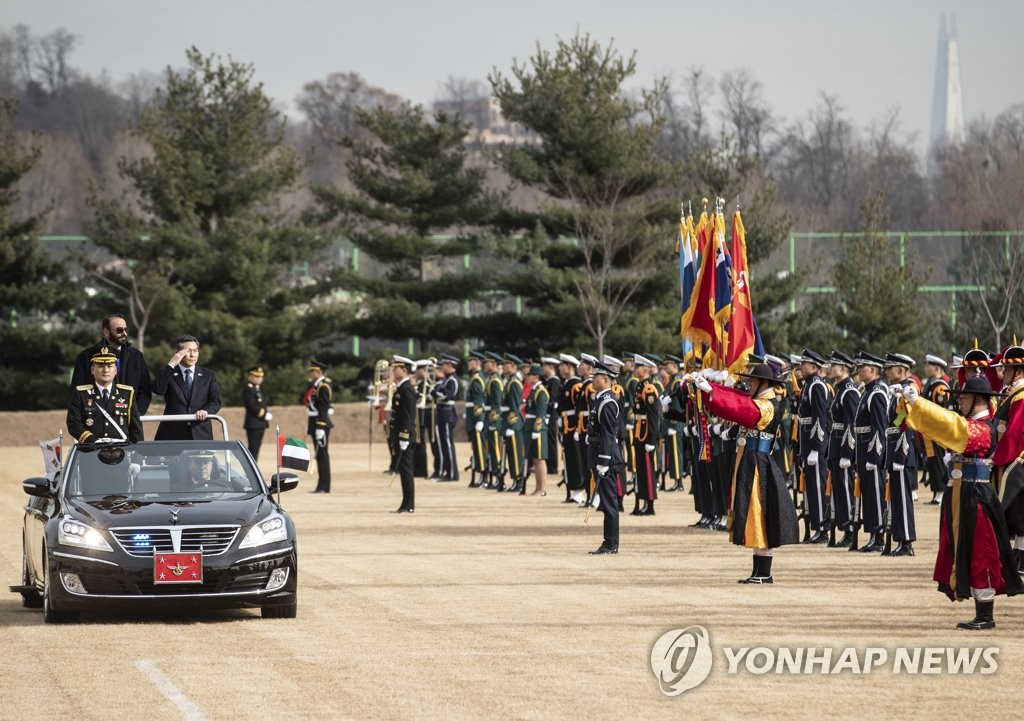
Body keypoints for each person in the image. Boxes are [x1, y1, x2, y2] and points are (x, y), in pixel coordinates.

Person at [899, 375, 1024, 629]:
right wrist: (913, 406)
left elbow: (951, 426)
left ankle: (986, 615)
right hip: (962, 493)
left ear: (977, 400)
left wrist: (920, 403)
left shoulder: (983, 428)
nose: (961, 402)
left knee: (982, 553)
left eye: (964, 397)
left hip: (976, 496)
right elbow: (943, 428)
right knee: (968, 549)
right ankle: (981, 611)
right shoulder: (970, 424)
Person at [688, 364, 800, 583]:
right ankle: (759, 572)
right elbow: (734, 401)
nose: (748, 384)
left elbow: (742, 410)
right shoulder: (758, 400)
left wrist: (712, 391)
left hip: (759, 464)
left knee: (759, 515)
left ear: (763, 383)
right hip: (749, 462)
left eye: (752, 381)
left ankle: (764, 572)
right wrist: (709, 389)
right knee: (752, 515)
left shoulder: (767, 405)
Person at [71, 313, 153, 416]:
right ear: (106, 332)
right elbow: (77, 391)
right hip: (96, 420)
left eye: (125, 330)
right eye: (119, 330)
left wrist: (136, 415)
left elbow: (145, 390)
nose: (124, 334)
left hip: (129, 422)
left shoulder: (136, 357)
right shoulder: (86, 357)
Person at [850, 351, 889, 553]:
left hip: (872, 452)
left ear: (872, 370)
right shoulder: (867, 392)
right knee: (868, 495)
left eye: (862, 367)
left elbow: (879, 429)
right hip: (864, 449)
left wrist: (875, 456)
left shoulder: (877, 393)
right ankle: (874, 534)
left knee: (875, 494)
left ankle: (878, 535)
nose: (858, 371)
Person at [882, 352, 919, 556]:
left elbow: (907, 425)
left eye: (891, 368)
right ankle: (901, 539)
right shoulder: (897, 391)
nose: (887, 371)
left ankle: (907, 543)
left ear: (902, 370)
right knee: (896, 498)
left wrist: (900, 456)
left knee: (903, 500)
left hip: (902, 452)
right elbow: (895, 423)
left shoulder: (909, 391)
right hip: (894, 449)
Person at [67, 346, 143, 444]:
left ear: (115, 370)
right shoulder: (80, 394)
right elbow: (73, 424)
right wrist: (93, 441)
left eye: (110, 366)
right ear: (92, 370)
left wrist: (138, 452)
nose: (105, 370)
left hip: (120, 451)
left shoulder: (126, 394)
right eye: (100, 366)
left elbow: (135, 428)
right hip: (90, 450)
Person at [152, 334, 222, 441]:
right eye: (188, 351)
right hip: (173, 433)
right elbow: (158, 389)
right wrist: (171, 364)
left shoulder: (208, 375)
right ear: (178, 352)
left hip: (200, 432)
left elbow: (216, 401)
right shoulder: (168, 372)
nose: (192, 355)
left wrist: (206, 411)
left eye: (195, 351)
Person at [796, 349, 833, 543]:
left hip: (815, 445)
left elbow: (819, 418)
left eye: (804, 363)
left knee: (819, 487)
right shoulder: (808, 385)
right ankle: (817, 527)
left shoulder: (816, 386)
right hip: (808, 443)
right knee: (812, 487)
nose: (801, 367)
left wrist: (816, 448)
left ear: (814, 367)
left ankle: (822, 528)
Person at [588, 361, 624, 554]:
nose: (592, 380)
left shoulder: (607, 402)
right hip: (600, 455)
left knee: (609, 503)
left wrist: (603, 462)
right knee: (605, 502)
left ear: (605, 379)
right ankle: (608, 542)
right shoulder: (600, 399)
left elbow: (609, 435)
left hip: (607, 459)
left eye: (595, 377)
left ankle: (611, 543)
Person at [826, 350, 861, 547]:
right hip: (836, 444)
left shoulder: (849, 391)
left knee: (846, 489)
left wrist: (847, 452)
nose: (831, 368)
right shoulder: (840, 389)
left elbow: (850, 424)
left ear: (844, 368)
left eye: (834, 365)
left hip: (843, 446)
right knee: (839, 489)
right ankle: (844, 528)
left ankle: (849, 529)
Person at [390, 355, 418, 512]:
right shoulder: (401, 387)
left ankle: (408, 505)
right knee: (404, 470)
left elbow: (408, 414)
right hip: (400, 434)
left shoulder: (406, 388)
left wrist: (405, 435)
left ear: (404, 370)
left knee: (406, 471)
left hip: (404, 435)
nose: (394, 371)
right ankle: (406, 503)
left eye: (396, 368)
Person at [303, 359, 333, 493]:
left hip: (320, 424)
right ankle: (322, 485)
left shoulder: (323, 386)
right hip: (315, 422)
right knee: (319, 455)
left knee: (322, 455)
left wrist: (320, 426)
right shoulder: (316, 385)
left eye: (312, 371)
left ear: (319, 372)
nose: (310, 373)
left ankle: (324, 485)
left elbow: (323, 407)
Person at [432, 354, 460, 481]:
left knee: (448, 445)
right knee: (444, 444)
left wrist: (435, 393)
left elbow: (448, 396)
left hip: (448, 413)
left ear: (450, 366)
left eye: (444, 365)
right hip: (442, 413)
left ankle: (453, 473)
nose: (442, 367)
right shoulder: (446, 380)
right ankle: (448, 472)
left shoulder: (452, 380)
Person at [524, 364, 550, 496]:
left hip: (537, 429)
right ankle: (537, 487)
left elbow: (540, 413)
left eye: (530, 375)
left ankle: (542, 488)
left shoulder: (540, 391)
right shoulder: (535, 390)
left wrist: (536, 430)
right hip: (531, 427)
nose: (527, 377)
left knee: (540, 459)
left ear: (536, 376)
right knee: (535, 459)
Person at [465, 351, 488, 488]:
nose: (468, 363)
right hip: (472, 416)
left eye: (471, 361)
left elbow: (479, 400)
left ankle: (484, 476)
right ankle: (482, 475)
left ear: (477, 363)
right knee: (477, 449)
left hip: (476, 418)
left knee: (480, 449)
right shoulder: (475, 377)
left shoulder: (478, 379)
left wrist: (479, 419)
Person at [242, 366, 272, 462]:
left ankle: (254, 467)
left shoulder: (258, 389)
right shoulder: (249, 389)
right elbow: (251, 405)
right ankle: (252, 470)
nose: (259, 378)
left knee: (256, 449)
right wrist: (263, 414)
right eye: (256, 376)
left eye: (260, 377)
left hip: (260, 423)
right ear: (250, 377)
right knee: (253, 449)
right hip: (253, 423)